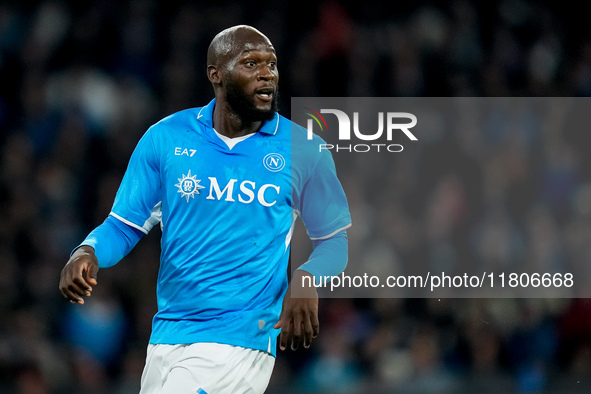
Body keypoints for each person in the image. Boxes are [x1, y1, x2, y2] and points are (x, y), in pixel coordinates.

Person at [59, 25, 351, 394]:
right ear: (216, 74)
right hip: (167, 334)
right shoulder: (166, 138)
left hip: (239, 340)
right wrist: (88, 250)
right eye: (251, 63)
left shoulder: (306, 150)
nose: (266, 74)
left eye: (272, 65)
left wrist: (307, 277)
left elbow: (334, 241)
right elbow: (124, 225)